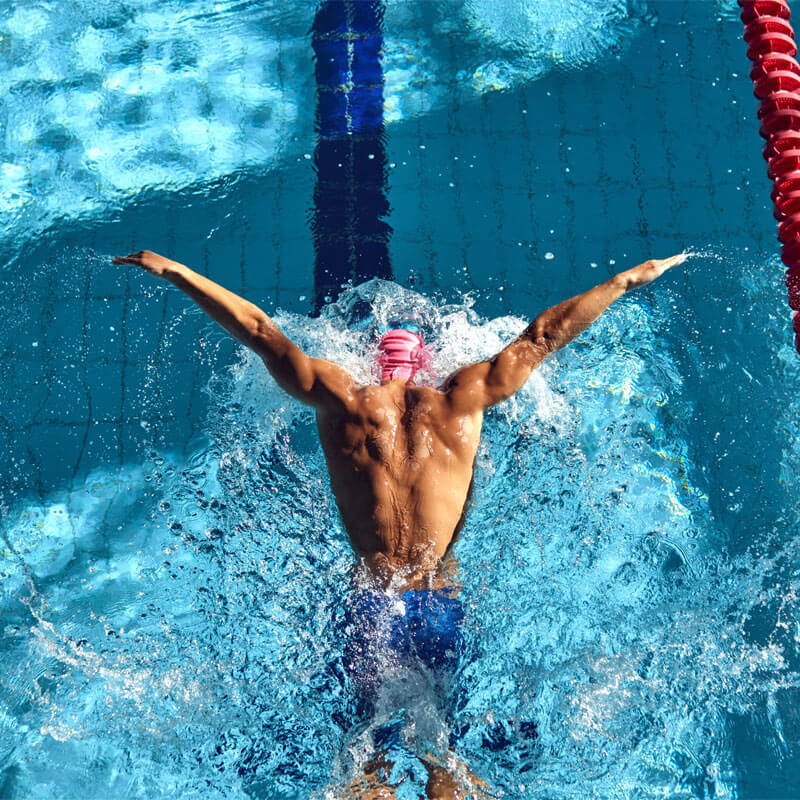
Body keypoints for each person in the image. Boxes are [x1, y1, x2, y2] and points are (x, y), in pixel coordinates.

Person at [112, 249, 687, 799]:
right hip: (442, 604)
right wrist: (626, 281)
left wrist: (176, 271)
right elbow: (542, 335)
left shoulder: (344, 399)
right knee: (447, 757)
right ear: (425, 367)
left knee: (367, 759)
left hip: (373, 606)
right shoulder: (461, 399)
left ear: (375, 367)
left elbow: (261, 332)